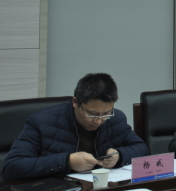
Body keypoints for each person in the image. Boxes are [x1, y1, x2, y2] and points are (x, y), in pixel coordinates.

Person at [2, 73, 148, 181]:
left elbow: (142, 148)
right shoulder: (41, 122)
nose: (98, 121)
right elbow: (12, 168)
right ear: (75, 102)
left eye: (106, 113)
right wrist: (67, 161)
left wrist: (119, 156)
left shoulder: (116, 119)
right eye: (92, 114)